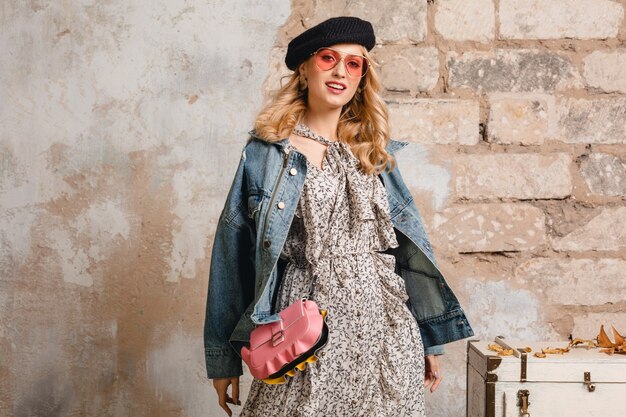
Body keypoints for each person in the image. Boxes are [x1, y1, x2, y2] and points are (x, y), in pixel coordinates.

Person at [204, 16, 474, 417]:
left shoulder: (374, 153)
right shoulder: (268, 153)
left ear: (363, 76)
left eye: (353, 63)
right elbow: (232, 251)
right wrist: (224, 358)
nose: (340, 72)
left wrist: (428, 339)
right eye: (329, 58)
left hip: (386, 328)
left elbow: (406, 255)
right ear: (305, 68)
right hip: (307, 326)